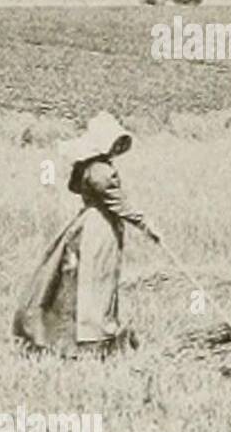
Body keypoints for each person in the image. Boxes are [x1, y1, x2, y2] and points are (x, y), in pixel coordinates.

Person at [13, 112, 161, 356]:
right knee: (97, 280)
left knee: (75, 280)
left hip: (85, 223)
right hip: (100, 229)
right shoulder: (102, 171)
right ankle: (93, 339)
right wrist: (147, 226)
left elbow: (74, 188)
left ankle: (69, 337)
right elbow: (119, 205)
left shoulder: (86, 167)